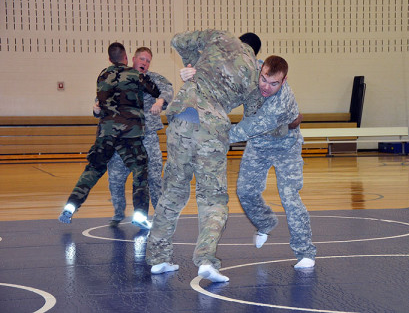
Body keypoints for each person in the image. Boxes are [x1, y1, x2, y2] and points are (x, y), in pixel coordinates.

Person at [145, 30, 264, 283]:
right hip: (213, 128)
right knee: (212, 198)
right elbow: (253, 116)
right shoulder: (255, 72)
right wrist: (230, 133)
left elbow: (176, 39)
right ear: (256, 51)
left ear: (240, 39)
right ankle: (206, 260)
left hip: (182, 120)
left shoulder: (219, 37)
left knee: (173, 191)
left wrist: (192, 63)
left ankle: (158, 258)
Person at [58, 42, 161, 229]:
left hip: (106, 132)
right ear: (127, 58)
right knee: (140, 171)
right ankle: (140, 214)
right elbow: (154, 90)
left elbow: (99, 102)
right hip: (130, 133)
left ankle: (71, 206)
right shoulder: (135, 75)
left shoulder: (102, 75)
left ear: (109, 59)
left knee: (93, 169)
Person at [229, 55, 317, 269]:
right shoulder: (255, 67)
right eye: (263, 80)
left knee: (289, 197)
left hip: (286, 147)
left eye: (274, 83)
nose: (266, 87)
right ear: (261, 71)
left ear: (284, 81)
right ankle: (265, 222)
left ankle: (305, 252)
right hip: (259, 146)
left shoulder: (280, 103)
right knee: (245, 191)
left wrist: (216, 137)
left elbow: (249, 128)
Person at [93, 47, 174, 229]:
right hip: (123, 138)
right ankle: (118, 212)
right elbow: (102, 100)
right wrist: (96, 109)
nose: (144, 63)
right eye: (142, 59)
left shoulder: (154, 79)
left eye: (148, 61)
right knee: (115, 177)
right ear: (133, 59)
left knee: (153, 177)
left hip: (147, 137)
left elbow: (168, 90)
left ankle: (159, 216)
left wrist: (160, 102)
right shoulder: (118, 78)